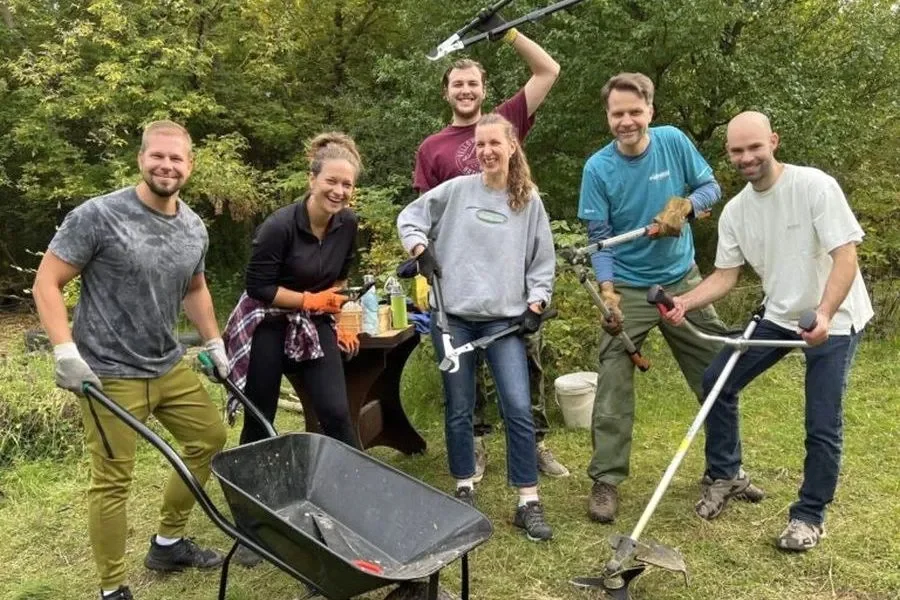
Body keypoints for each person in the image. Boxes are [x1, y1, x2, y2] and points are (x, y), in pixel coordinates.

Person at [32, 120, 230, 600]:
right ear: (141, 159)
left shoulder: (193, 227)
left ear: (190, 164)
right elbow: (46, 283)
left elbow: (196, 288)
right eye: (157, 156)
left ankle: (167, 542)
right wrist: (65, 351)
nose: (167, 165)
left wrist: (215, 342)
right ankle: (112, 588)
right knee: (113, 479)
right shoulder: (98, 216)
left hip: (167, 364)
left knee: (209, 438)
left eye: (176, 158)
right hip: (107, 375)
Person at [662, 111, 872, 551]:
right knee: (716, 381)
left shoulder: (814, 186)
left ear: (773, 141)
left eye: (754, 147)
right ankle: (726, 475)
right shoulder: (736, 211)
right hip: (779, 314)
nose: (747, 157)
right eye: (737, 151)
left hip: (834, 317)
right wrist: (685, 302)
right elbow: (725, 275)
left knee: (821, 420)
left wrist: (826, 313)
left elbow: (845, 257)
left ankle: (809, 516)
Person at [414, 21, 567, 481]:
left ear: (484, 90)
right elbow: (423, 214)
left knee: (525, 368)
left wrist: (507, 34)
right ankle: (474, 448)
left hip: (508, 281)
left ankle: (532, 446)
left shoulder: (505, 121)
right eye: (457, 83)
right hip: (457, 281)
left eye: (472, 83)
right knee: (463, 384)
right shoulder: (432, 147)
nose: (465, 90)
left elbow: (548, 70)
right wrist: (426, 272)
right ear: (447, 92)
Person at [578, 72, 733, 524]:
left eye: (634, 111)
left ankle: (727, 469)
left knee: (717, 374)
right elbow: (600, 239)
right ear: (608, 117)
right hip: (627, 284)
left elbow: (711, 188)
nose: (626, 121)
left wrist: (684, 205)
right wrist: (608, 293)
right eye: (617, 113)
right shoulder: (598, 168)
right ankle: (606, 480)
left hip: (683, 282)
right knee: (612, 386)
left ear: (650, 111)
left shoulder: (673, 142)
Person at [398, 113, 556, 541]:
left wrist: (536, 303)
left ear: (511, 147)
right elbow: (409, 218)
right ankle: (464, 488)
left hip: (505, 322)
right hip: (454, 320)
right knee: (459, 407)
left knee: (518, 408)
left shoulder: (528, 201)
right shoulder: (455, 192)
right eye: (480, 144)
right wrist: (419, 250)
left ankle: (527, 501)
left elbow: (542, 261)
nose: (486, 151)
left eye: (494, 143)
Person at [223, 132, 362, 449]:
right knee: (261, 415)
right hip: (267, 321)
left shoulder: (348, 224)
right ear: (311, 180)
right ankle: (253, 487)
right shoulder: (278, 227)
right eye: (331, 181)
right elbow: (258, 287)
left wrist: (336, 315)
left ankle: (352, 483)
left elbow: (340, 277)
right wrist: (308, 300)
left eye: (347, 184)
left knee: (336, 412)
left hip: (313, 320)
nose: (339, 191)